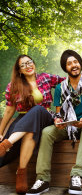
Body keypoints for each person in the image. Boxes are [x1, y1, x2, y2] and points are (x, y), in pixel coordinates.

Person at [26, 50, 82, 195]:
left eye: (76, 62)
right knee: (47, 132)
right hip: (68, 126)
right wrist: (58, 121)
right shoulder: (60, 87)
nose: (74, 65)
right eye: (69, 63)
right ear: (65, 68)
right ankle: (43, 179)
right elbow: (60, 114)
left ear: (80, 64)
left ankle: (77, 175)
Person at [0, 55, 66, 193]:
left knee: (37, 109)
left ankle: (6, 144)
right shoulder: (13, 86)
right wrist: (0, 132)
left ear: (34, 63)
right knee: (29, 131)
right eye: (23, 65)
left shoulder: (46, 77)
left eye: (29, 62)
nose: (28, 66)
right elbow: (9, 111)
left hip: (46, 117)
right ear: (19, 70)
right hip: (23, 120)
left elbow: (69, 81)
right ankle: (21, 173)